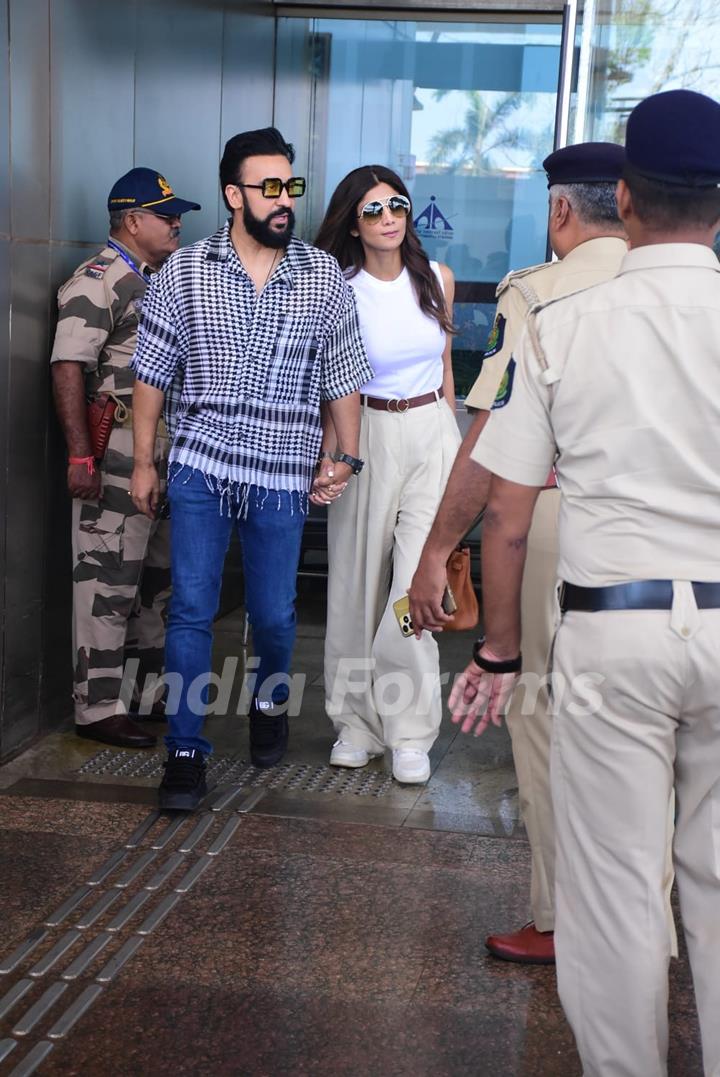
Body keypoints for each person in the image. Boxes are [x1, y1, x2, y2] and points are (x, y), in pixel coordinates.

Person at [453, 89, 720, 1076]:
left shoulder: (562, 322)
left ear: (623, 196)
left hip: (614, 632)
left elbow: (508, 513)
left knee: (611, 886)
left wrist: (498, 650)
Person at [409, 143, 627, 960]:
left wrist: (439, 547)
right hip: (686, 534)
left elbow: (495, 442)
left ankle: (562, 919)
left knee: (542, 715)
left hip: (564, 519)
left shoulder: (540, 295)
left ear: (561, 209)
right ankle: (653, 917)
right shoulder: (693, 290)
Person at [129, 127, 373, 811]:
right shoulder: (184, 272)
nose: (283, 199)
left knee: (272, 615)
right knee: (192, 611)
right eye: (268, 186)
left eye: (290, 185)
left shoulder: (320, 274)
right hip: (201, 463)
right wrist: (146, 460)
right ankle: (184, 753)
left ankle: (269, 703)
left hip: (282, 468)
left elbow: (342, 375)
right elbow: (151, 373)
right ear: (233, 194)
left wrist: (343, 454)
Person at [314, 165, 461, 784]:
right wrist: (333, 453)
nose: (389, 217)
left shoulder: (437, 280)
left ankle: (408, 731)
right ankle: (356, 723)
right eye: (373, 209)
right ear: (353, 220)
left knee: (411, 589)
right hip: (364, 435)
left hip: (431, 432)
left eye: (396, 204)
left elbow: (446, 366)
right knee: (355, 583)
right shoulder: (336, 288)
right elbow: (329, 383)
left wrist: (455, 443)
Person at [50, 168, 200, 749]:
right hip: (114, 448)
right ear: (132, 221)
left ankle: (143, 694)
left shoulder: (155, 278)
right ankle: (97, 709)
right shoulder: (100, 279)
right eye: (166, 215)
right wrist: (80, 456)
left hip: (160, 448)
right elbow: (69, 366)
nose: (176, 223)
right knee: (106, 577)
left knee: (153, 579)